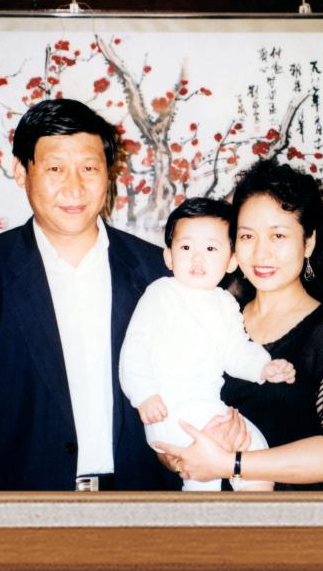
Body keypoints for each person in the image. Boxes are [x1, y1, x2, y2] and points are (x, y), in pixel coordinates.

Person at [0, 98, 195, 490]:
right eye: (55, 168)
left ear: (108, 173)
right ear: (22, 171)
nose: (75, 187)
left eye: (89, 168)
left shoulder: (158, 271)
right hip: (21, 504)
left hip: (138, 499)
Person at [153, 159, 323, 490]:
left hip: (294, 518)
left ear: (308, 242)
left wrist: (231, 464)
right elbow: (167, 405)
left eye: (278, 235)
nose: (261, 253)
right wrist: (182, 458)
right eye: (247, 236)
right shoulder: (216, 317)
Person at [118, 197, 296, 491]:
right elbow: (135, 349)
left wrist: (264, 367)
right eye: (186, 248)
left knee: (253, 449)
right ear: (169, 257)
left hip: (208, 406)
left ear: (231, 261)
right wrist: (144, 394)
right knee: (217, 459)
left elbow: (235, 351)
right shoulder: (160, 294)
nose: (197, 259)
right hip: (168, 410)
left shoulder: (225, 303)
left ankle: (255, 514)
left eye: (211, 249)